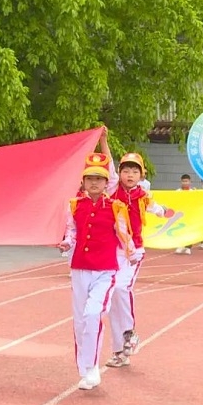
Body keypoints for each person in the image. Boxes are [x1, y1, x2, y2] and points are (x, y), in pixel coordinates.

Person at [58, 152, 135, 390]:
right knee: (81, 321)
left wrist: (131, 255)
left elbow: (125, 236)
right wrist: (66, 243)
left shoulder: (116, 207)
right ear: (83, 180)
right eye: (90, 178)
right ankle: (84, 369)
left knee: (93, 314)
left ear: (106, 183)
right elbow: (72, 232)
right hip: (79, 268)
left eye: (99, 179)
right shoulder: (74, 205)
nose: (94, 182)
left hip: (105, 271)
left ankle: (92, 369)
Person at [105, 152, 166, 369]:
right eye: (126, 170)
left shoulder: (144, 196)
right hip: (112, 250)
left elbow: (161, 211)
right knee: (112, 299)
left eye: (134, 171)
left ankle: (130, 332)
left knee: (122, 287)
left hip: (133, 252)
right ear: (120, 173)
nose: (129, 175)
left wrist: (168, 213)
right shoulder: (113, 189)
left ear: (141, 175)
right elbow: (109, 166)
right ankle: (119, 351)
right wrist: (103, 141)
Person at [175, 174, 195, 254]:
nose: (185, 183)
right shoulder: (177, 192)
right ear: (181, 182)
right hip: (180, 214)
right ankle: (180, 246)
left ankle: (188, 247)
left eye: (186, 181)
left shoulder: (193, 192)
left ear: (190, 182)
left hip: (189, 214)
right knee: (180, 230)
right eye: (183, 181)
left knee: (189, 230)